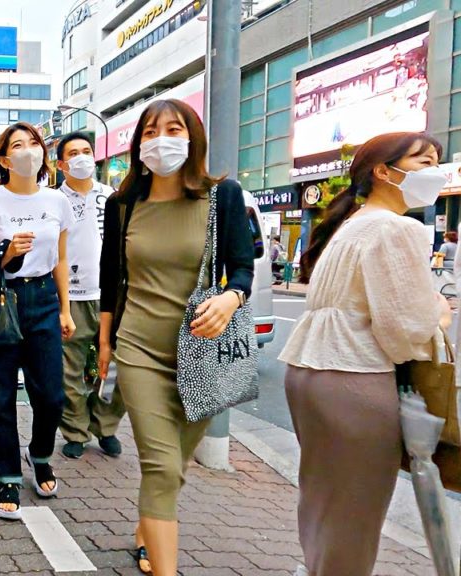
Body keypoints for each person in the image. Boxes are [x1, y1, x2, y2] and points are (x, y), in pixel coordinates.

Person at [280, 132, 452, 576]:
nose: (435, 172)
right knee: (355, 518)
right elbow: (404, 331)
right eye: (424, 162)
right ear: (383, 171)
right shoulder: (398, 228)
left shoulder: (353, 225)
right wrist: (438, 314)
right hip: (355, 377)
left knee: (322, 502)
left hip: (310, 372)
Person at [97, 99, 254, 576]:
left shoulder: (222, 196)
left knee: (176, 464)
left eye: (172, 129)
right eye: (149, 132)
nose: (160, 140)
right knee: (162, 466)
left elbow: (242, 267)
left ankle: (148, 527)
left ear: (192, 138)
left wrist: (232, 298)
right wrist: (105, 343)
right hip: (139, 347)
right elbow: (110, 279)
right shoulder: (122, 204)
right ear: (137, 144)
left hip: (202, 351)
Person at [0, 121, 76, 520]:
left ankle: (40, 454)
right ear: (4, 159)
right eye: (18, 145)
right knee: (0, 394)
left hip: (44, 297)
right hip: (3, 299)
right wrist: (7, 252)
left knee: (51, 394)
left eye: (33, 143)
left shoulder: (57, 201)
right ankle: (8, 477)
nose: (28, 150)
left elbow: (61, 258)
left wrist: (65, 308)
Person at [55, 132, 127, 461]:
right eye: (73, 153)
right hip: (71, 296)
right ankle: (75, 430)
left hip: (112, 294)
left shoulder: (112, 196)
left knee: (117, 367)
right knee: (68, 370)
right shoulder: (53, 200)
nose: (81, 157)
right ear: (61, 164)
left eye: (86, 151)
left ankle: (105, 424)